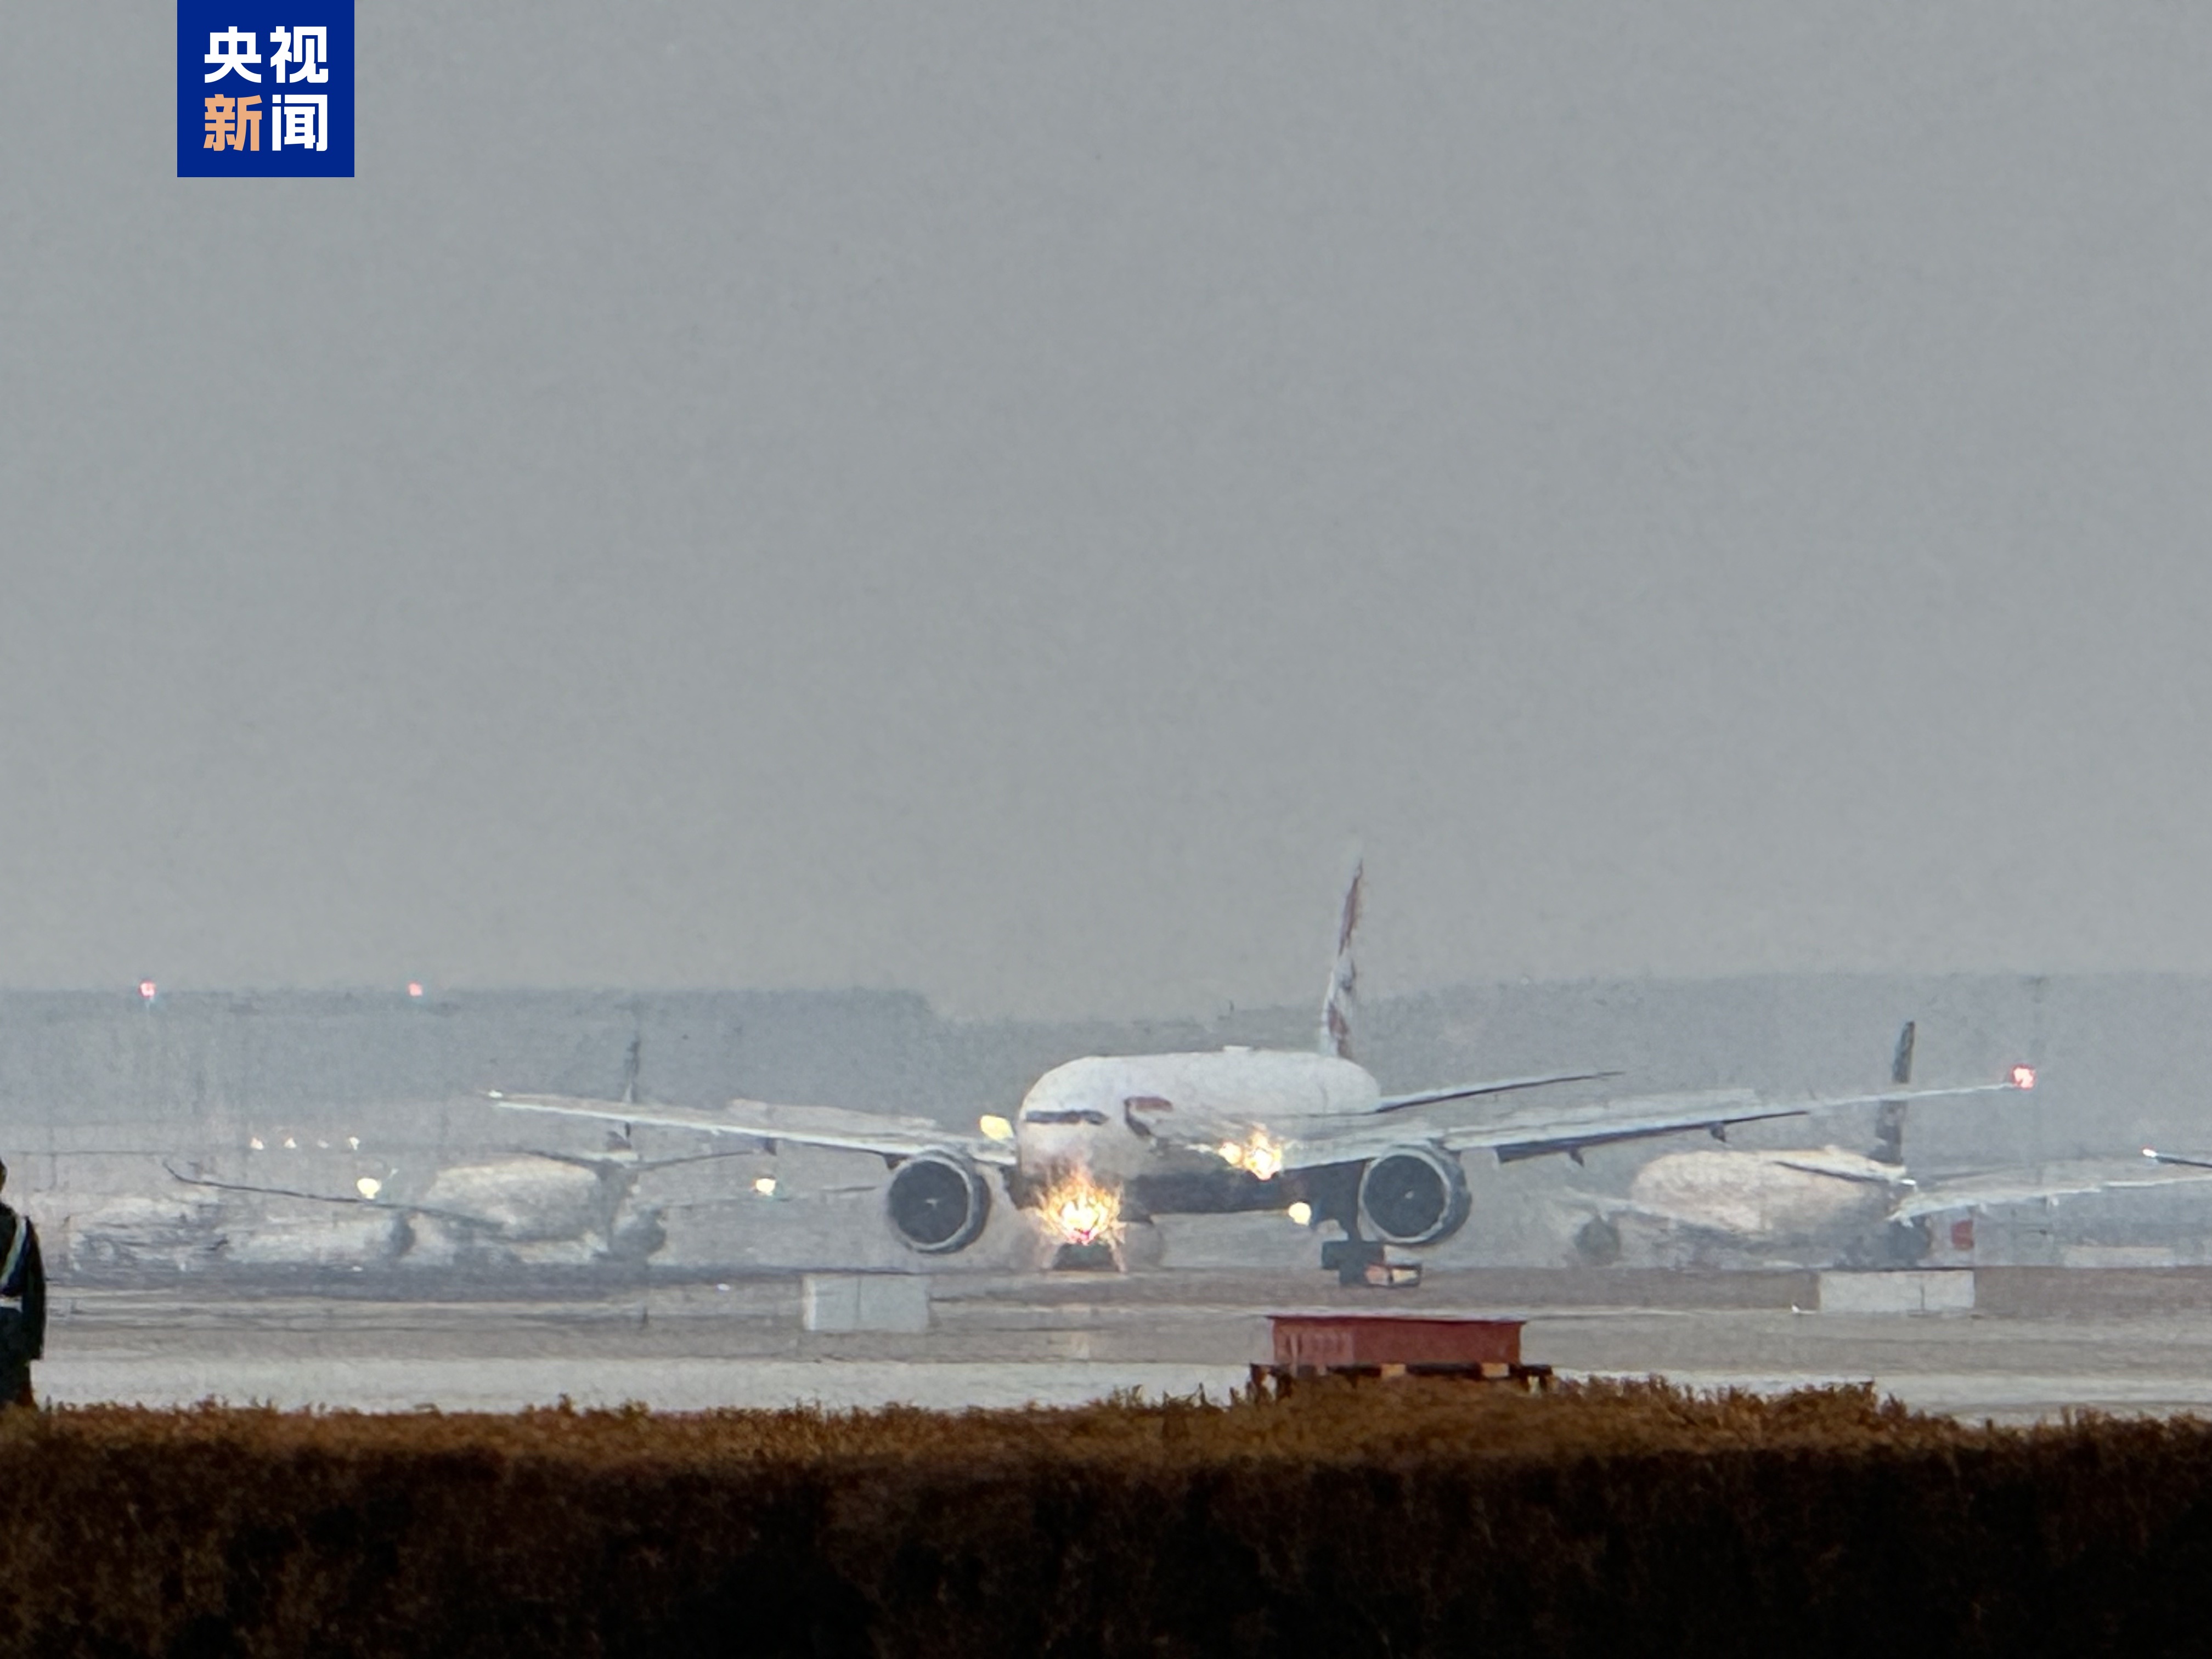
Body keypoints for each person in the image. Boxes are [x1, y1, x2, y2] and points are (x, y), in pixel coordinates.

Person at [0, 1159, 44, 1408]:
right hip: (10, 1332)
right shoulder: (21, 1229)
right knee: (9, 1407)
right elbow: (35, 1293)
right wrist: (32, 1346)